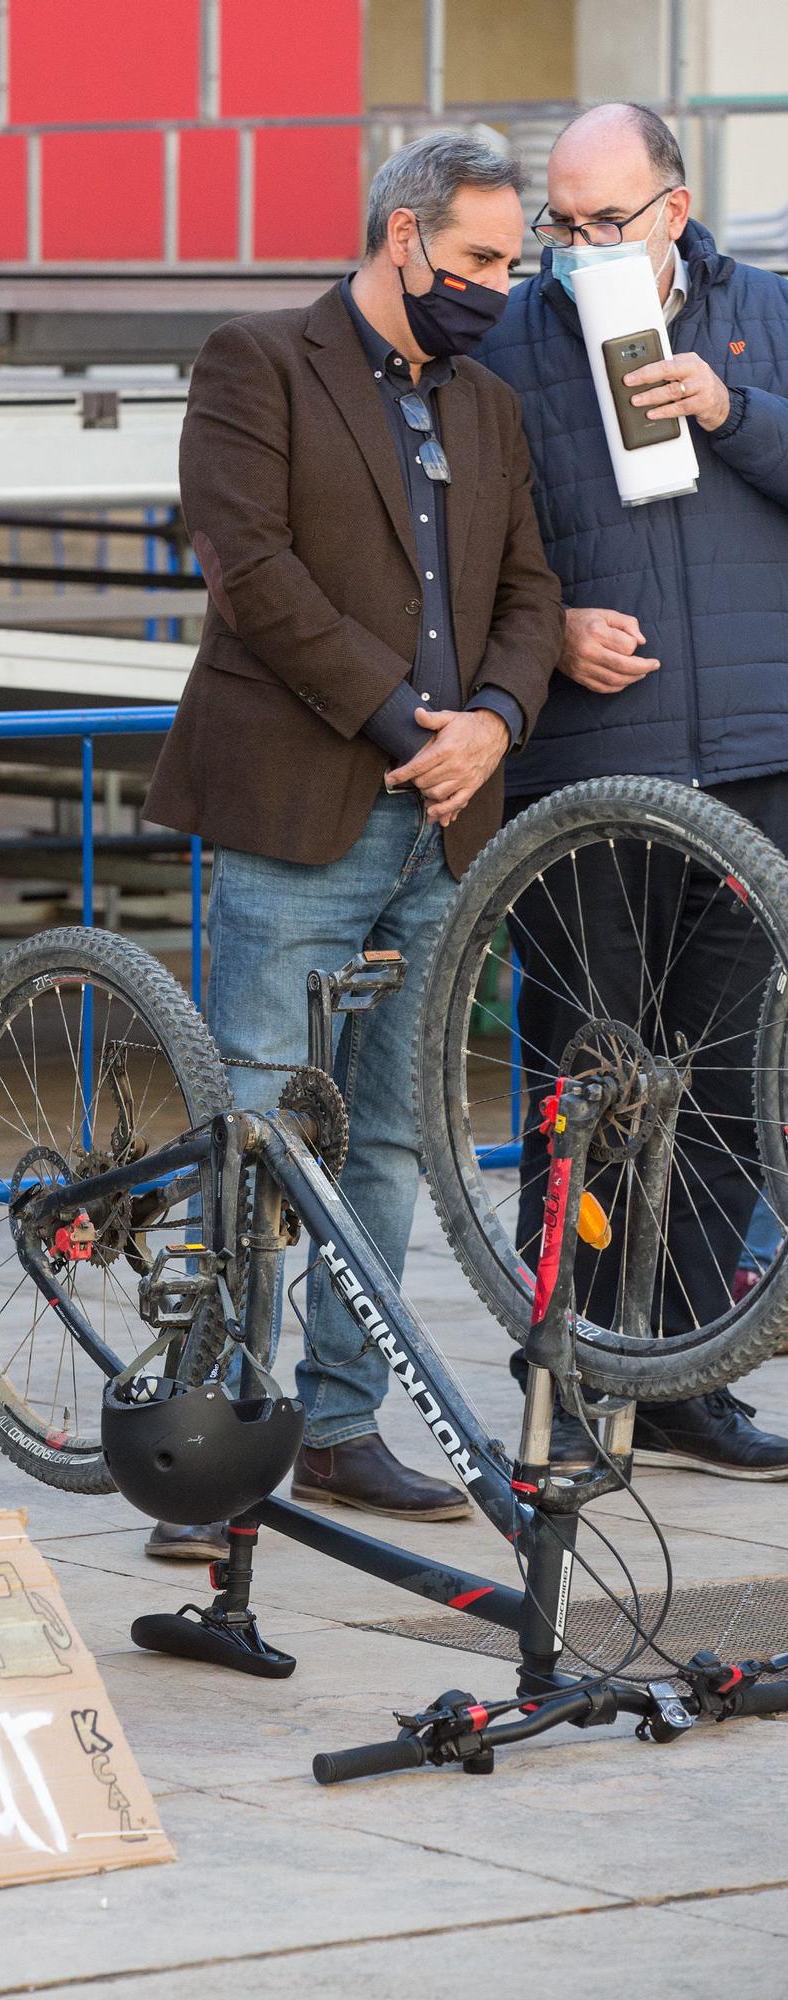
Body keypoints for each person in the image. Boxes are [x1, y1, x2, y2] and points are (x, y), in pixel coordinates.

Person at [141, 132, 564, 1558]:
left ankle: (336, 1423)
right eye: (479, 262)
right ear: (401, 237)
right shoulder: (256, 362)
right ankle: (214, 1452)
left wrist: (495, 719)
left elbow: (530, 586)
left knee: (386, 1137)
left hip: (444, 827)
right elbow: (251, 573)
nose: (498, 288)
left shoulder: (490, 406)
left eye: (513, 265)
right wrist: (408, 725)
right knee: (255, 1128)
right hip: (300, 810)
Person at [478, 101, 788, 1478]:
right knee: (588, 1071)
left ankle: (684, 1373)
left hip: (757, 761)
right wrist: (548, 637)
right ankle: (575, 1367)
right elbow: (455, 546)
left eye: (609, 220)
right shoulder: (505, 342)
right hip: (590, 770)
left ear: (675, 206)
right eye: (563, 223)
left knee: (724, 1077)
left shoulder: (767, 316)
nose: (581, 246)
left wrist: (734, 410)